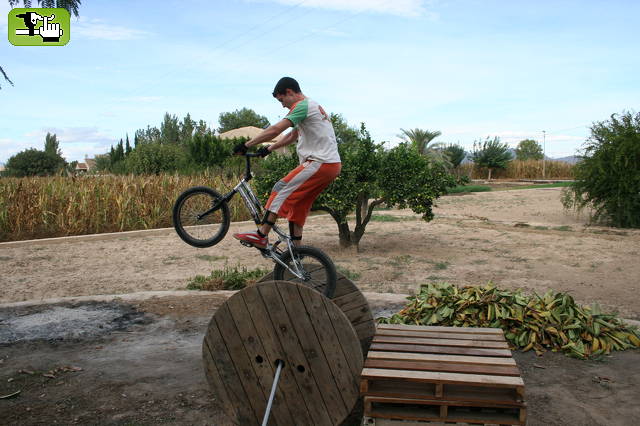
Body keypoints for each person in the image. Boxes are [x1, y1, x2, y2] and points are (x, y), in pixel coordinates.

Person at [232, 77, 341, 249]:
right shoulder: (312, 106)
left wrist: (246, 145)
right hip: (330, 165)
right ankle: (296, 250)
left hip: (320, 163)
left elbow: (276, 129)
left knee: (280, 188)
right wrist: (269, 149)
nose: (282, 105)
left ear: (289, 92)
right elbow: (292, 136)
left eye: (281, 100)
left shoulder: (302, 106)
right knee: (299, 205)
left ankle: (261, 234)